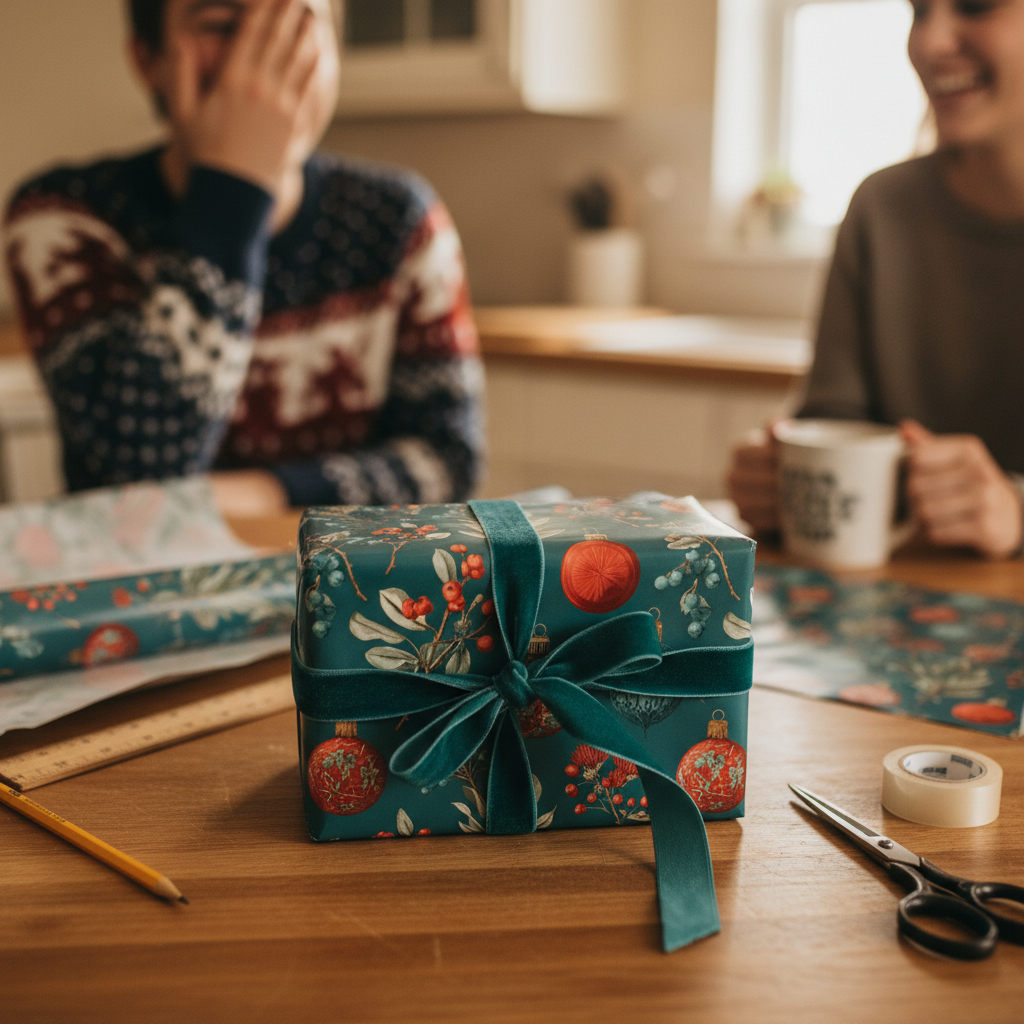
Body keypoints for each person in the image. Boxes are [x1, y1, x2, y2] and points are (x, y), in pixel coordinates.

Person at [3, 0, 484, 516]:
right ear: (147, 59)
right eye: (221, 25)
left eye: (297, 23)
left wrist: (263, 494)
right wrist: (234, 187)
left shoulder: (399, 220)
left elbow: (447, 461)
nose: (264, 62)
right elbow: (135, 468)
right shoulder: (64, 217)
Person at [728, 0, 1024, 559]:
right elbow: (832, 424)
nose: (931, 42)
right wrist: (782, 477)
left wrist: (1016, 511)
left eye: (975, 5)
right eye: (918, 9)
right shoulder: (881, 210)